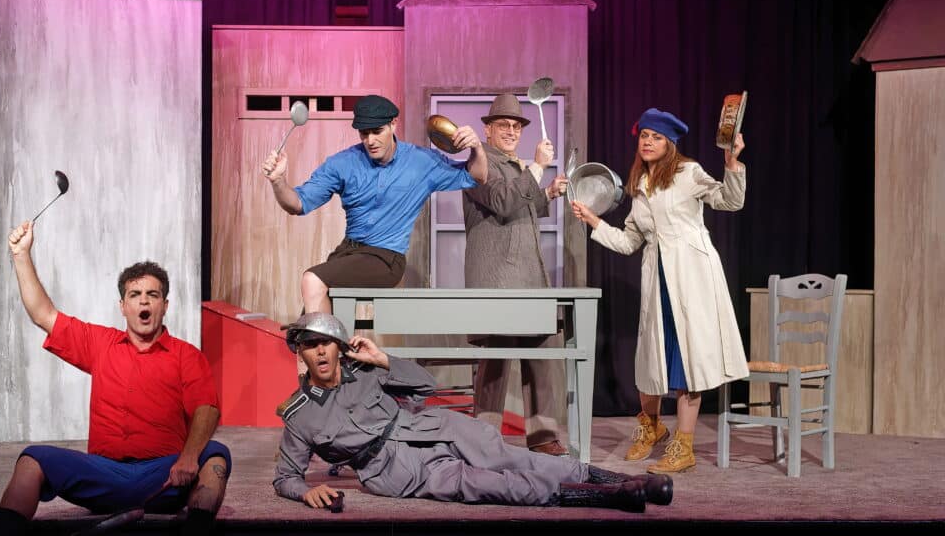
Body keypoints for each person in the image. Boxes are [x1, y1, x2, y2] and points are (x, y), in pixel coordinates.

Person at [272, 312, 674, 512]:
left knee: (515, 458)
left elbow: (426, 386)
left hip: (434, 427)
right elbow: (285, 477)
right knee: (492, 485)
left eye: (326, 343)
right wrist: (306, 491)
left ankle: (626, 481)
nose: (320, 351)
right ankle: (611, 497)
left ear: (339, 347)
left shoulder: (365, 369)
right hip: (397, 470)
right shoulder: (300, 414)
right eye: (310, 345)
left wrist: (383, 360)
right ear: (300, 352)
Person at [0, 221, 231, 536]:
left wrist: (187, 458)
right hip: (103, 475)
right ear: (123, 306)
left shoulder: (186, 355)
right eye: (135, 295)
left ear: (165, 305)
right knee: (32, 459)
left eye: (152, 295)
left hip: (164, 475)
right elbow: (43, 314)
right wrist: (21, 255)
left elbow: (207, 408)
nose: (144, 301)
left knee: (216, 454)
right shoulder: (100, 344)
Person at [570, 108, 749, 474]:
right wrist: (594, 220)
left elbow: (730, 201)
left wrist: (732, 164)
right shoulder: (639, 184)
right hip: (658, 280)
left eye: (656, 137)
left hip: (692, 275)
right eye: (644, 136)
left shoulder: (688, 172)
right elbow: (628, 242)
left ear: (670, 144)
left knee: (688, 360)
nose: (648, 142)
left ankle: (684, 446)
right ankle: (652, 427)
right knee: (650, 359)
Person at [261, 94, 488, 315]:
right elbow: (298, 204)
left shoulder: (422, 161)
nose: (370, 141)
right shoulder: (343, 163)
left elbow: (477, 176)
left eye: (377, 131)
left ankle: (323, 338)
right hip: (348, 253)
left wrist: (476, 148)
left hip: (386, 258)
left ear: (393, 124)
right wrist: (278, 181)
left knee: (312, 279)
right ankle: (329, 341)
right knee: (312, 319)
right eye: (364, 133)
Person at [462, 93, 570, 456]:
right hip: (497, 277)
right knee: (495, 359)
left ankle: (543, 435)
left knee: (541, 352)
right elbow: (504, 202)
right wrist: (537, 167)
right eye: (503, 125)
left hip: (528, 274)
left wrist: (548, 193)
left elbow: (524, 203)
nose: (511, 131)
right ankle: (484, 437)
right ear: (488, 130)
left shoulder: (513, 164)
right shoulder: (479, 161)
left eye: (516, 126)